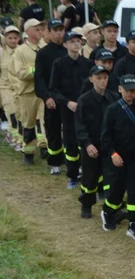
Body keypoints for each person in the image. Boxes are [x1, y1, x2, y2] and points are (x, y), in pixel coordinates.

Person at [100, 74, 135, 240]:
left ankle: (133, 224)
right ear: (120, 89)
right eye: (127, 90)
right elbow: (105, 137)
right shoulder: (112, 110)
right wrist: (113, 154)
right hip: (117, 157)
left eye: (133, 90)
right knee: (116, 191)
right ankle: (108, 212)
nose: (130, 93)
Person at [48, 30, 92, 188]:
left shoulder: (88, 64)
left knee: (87, 141)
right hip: (67, 110)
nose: (76, 44)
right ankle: (73, 175)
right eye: (72, 41)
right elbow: (53, 89)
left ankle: (87, 174)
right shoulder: (59, 64)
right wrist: (67, 102)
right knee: (71, 143)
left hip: (85, 110)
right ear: (65, 44)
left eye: (78, 41)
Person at [74, 64, 119, 219]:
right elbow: (80, 126)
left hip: (108, 146)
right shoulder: (84, 100)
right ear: (91, 79)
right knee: (89, 178)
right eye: (99, 78)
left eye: (105, 78)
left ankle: (112, 208)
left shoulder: (114, 98)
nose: (102, 81)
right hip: (91, 145)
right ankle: (86, 204)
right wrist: (87, 144)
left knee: (112, 177)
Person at [35, 19, 68, 173]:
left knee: (70, 131)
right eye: (56, 30)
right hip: (52, 98)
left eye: (62, 30)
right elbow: (39, 77)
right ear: (48, 32)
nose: (60, 34)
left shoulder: (68, 51)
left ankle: (72, 161)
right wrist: (46, 97)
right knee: (53, 130)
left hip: (67, 98)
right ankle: (55, 162)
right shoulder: (43, 53)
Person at [11, 18, 44, 165]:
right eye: (36, 29)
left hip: (43, 92)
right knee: (29, 123)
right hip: (28, 93)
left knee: (44, 121)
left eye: (41, 28)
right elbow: (20, 73)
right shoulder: (20, 51)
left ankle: (45, 149)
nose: (40, 31)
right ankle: (28, 152)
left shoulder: (45, 47)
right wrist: (37, 71)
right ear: (28, 31)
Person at [1, 25, 21, 149]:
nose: (13, 40)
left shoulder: (22, 51)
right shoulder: (1, 53)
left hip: (20, 87)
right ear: (5, 39)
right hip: (5, 87)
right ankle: (14, 137)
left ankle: (19, 136)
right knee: (11, 112)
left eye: (15, 38)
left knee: (20, 114)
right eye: (10, 38)